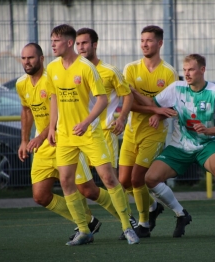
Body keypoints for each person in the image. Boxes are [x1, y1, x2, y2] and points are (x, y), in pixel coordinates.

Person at [16, 43, 122, 243]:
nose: (27, 62)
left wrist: (41, 135)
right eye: (23, 58)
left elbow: (62, 112)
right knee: (40, 196)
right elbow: (26, 110)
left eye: (30, 58)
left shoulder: (53, 77)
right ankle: (88, 221)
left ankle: (127, 221)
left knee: (88, 190)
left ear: (41, 59)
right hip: (44, 145)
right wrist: (24, 140)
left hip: (65, 139)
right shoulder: (21, 84)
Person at [46, 24, 139, 245]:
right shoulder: (52, 68)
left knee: (108, 178)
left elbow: (103, 100)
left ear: (68, 43)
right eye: (51, 40)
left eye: (57, 41)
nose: (52, 44)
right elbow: (54, 98)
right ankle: (84, 230)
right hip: (66, 137)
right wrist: (51, 127)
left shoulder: (87, 68)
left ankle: (127, 226)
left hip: (90, 133)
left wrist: (87, 122)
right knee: (67, 181)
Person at [132, 54, 215, 238]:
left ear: (202, 70)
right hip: (179, 146)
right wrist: (153, 111)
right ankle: (181, 213)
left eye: (191, 69)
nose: (187, 74)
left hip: (205, 145)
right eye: (184, 70)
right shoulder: (176, 87)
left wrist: (208, 131)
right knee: (150, 179)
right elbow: (155, 104)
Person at [75, 27, 138, 235]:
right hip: (79, 135)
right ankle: (86, 222)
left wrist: (122, 117)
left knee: (111, 181)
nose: (81, 47)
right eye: (78, 43)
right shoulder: (73, 71)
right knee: (79, 185)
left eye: (84, 43)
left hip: (104, 133)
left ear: (94, 45)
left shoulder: (109, 71)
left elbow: (127, 95)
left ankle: (129, 221)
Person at [119, 25, 179, 238]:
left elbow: (172, 107)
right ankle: (153, 205)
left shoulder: (169, 73)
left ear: (160, 43)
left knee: (137, 179)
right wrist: (155, 109)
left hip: (154, 133)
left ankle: (144, 223)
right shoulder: (131, 69)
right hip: (131, 130)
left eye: (149, 40)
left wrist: (159, 114)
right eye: (142, 40)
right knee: (124, 181)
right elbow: (130, 104)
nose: (144, 44)